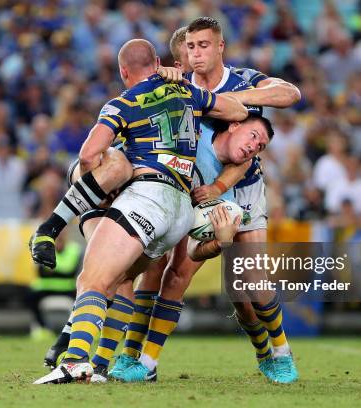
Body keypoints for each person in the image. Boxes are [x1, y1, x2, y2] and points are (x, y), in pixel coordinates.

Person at [32, 38, 247, 384]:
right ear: (159, 62)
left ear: (123, 71)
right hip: (180, 210)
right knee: (121, 280)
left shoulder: (124, 102)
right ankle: (100, 366)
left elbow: (89, 154)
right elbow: (237, 111)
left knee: (92, 279)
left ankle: (74, 360)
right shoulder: (186, 92)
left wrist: (98, 192)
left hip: (148, 195)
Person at [115, 17, 300, 384]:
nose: (196, 52)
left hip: (240, 189)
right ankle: (142, 361)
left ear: (220, 47)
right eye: (191, 47)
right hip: (190, 190)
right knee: (172, 272)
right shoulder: (179, 85)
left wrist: (234, 100)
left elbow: (289, 95)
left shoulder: (243, 80)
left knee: (247, 287)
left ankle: (276, 351)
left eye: (203, 45)